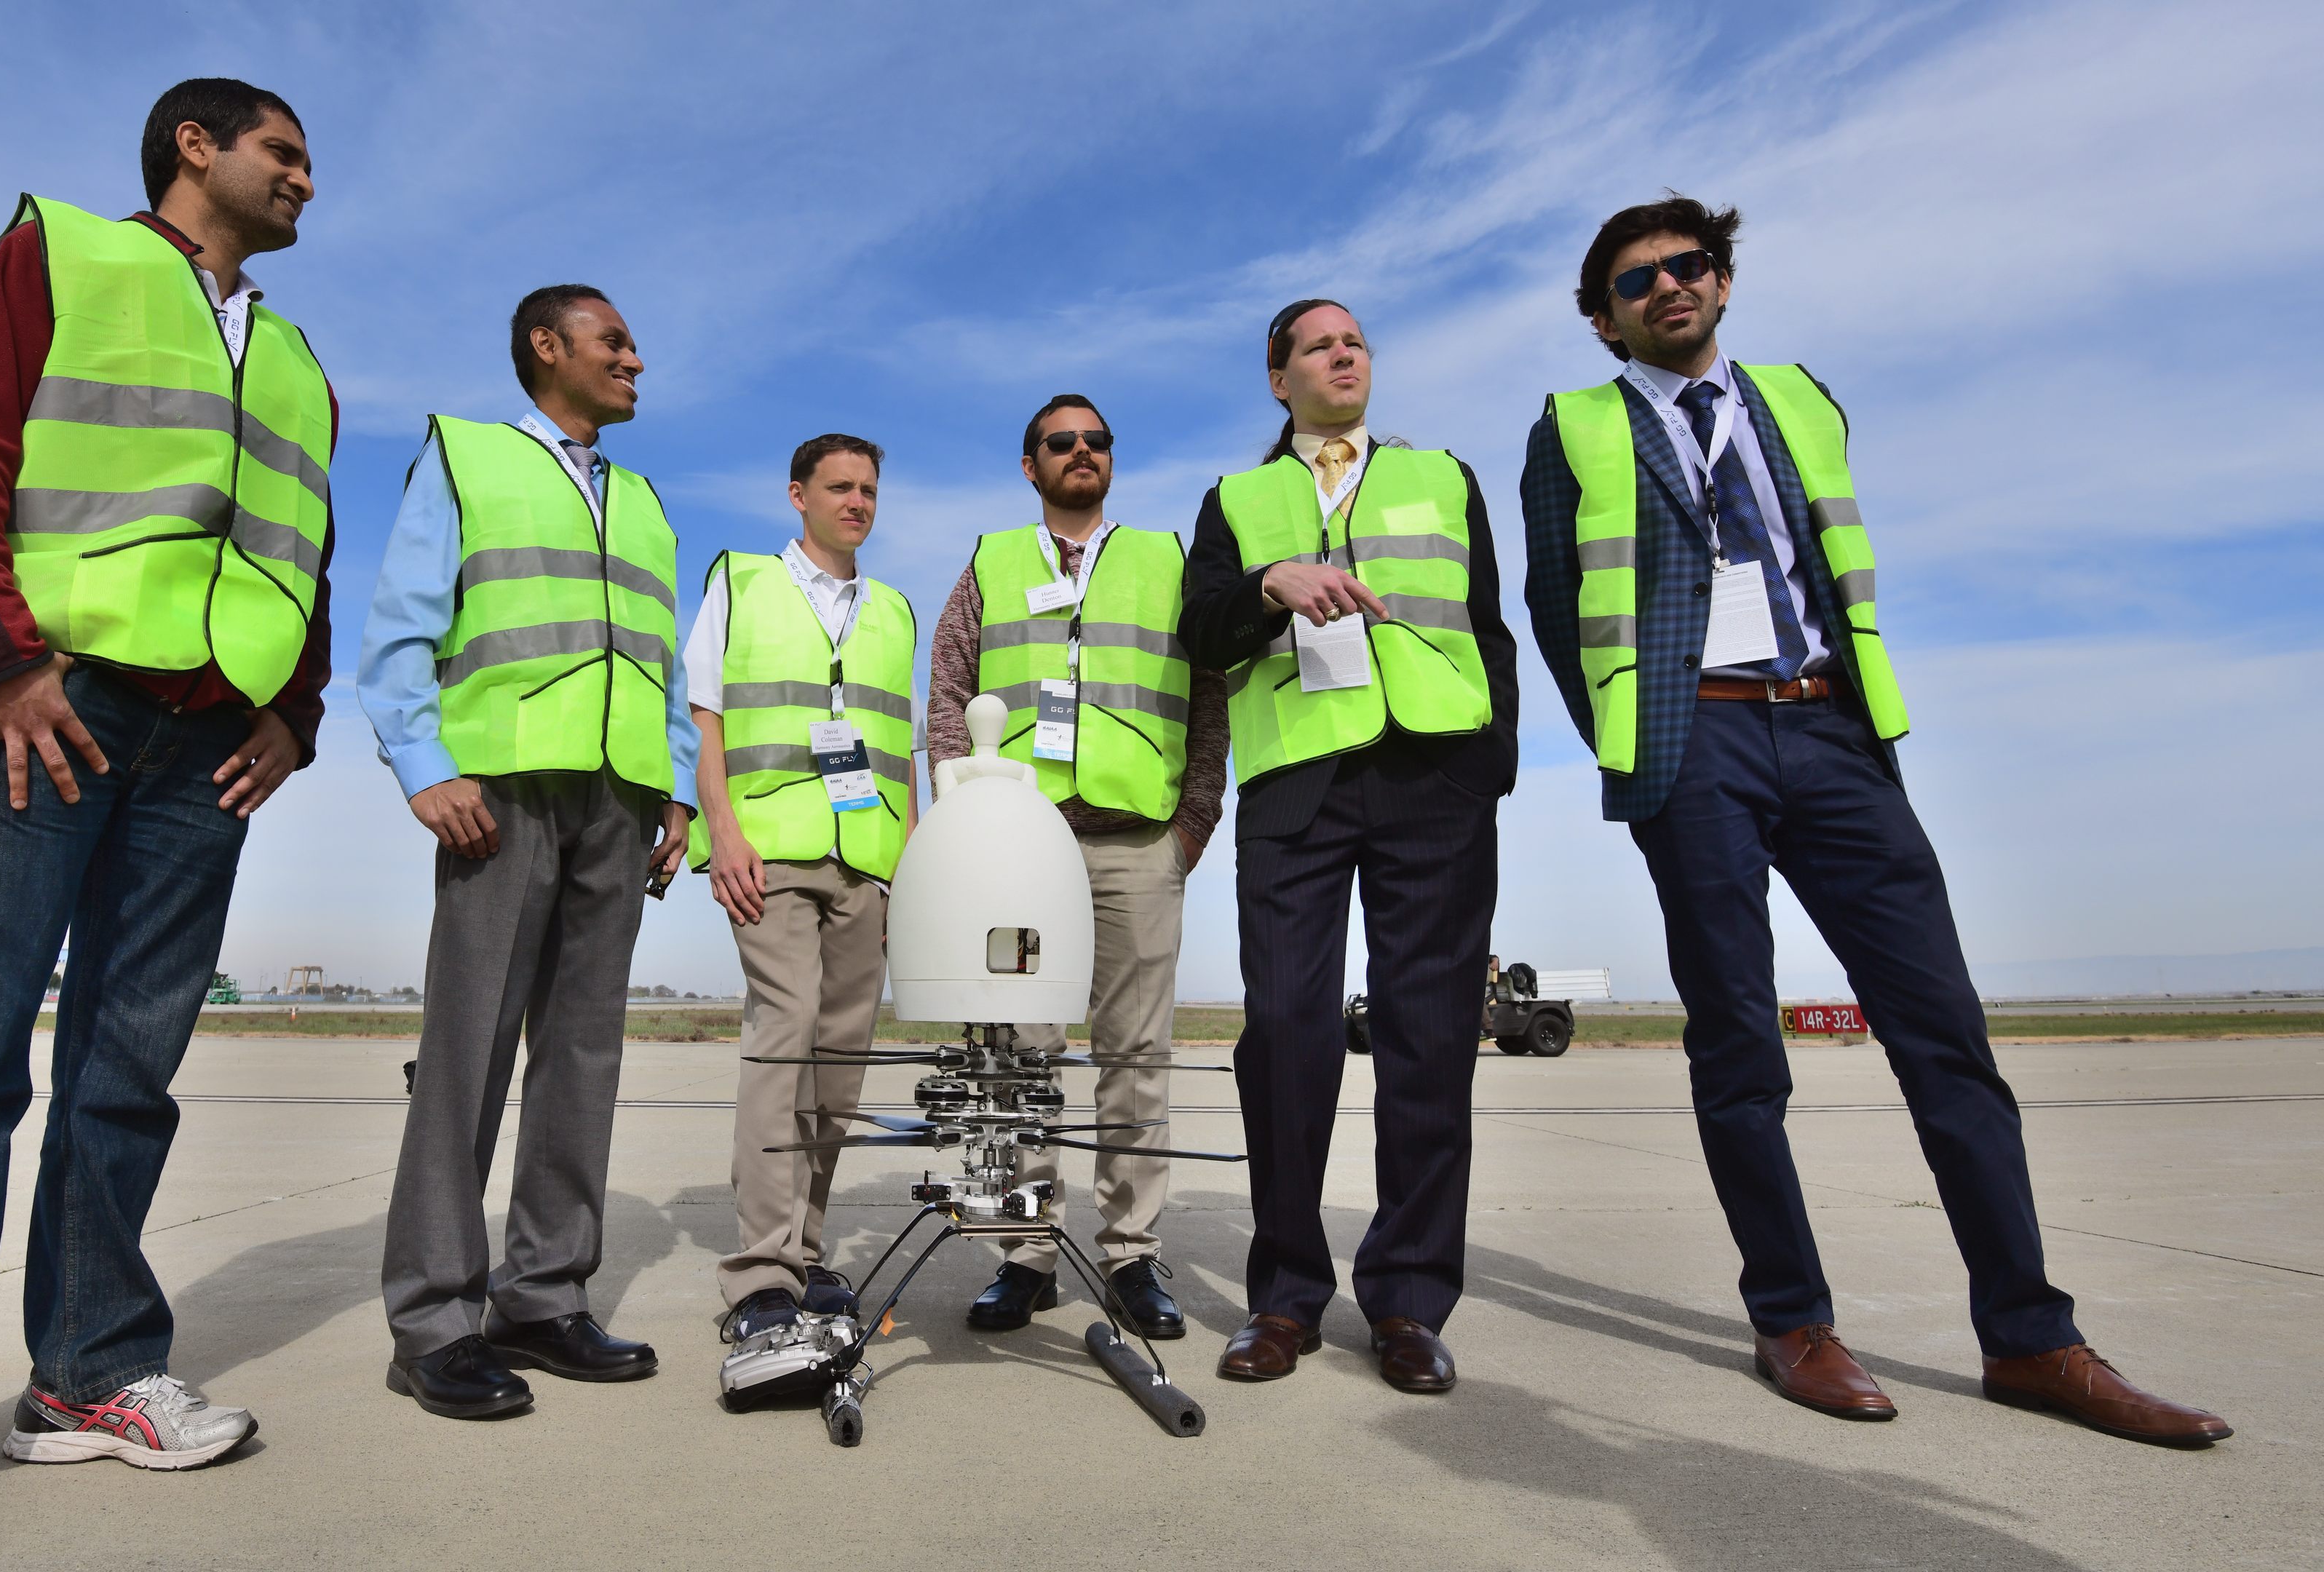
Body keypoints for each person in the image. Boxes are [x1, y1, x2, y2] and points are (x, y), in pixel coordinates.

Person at [1521, 195, 2229, 1445]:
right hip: (1697, 738)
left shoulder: (1799, 396)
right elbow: (1553, 606)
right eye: (1640, 282)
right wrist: (1642, 746)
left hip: (1835, 732)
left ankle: (2034, 1339)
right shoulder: (1573, 428)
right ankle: (1792, 1320)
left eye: (1690, 267)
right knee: (1741, 1044)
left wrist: (1835, 712)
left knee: (1946, 1035)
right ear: (1603, 319)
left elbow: (1824, 554)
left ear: (1724, 283)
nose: (1670, 289)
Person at [0, 77, 328, 1557]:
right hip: (47, 704)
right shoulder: (60, 255)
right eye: (283, 154)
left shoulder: (295, 356)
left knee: (129, 1070)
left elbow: (299, 543)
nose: (307, 181)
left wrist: (293, 714)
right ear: (197, 145)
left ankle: (88, 1374)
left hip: (206, 744)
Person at [358, 285, 695, 1421]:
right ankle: (435, 1321)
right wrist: (423, 764)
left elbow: (668, 664)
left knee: (583, 1058)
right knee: (469, 1057)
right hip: (499, 791)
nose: (635, 359)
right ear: (547, 347)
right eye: (616, 341)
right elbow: (401, 626)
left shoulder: (644, 499)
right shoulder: (466, 458)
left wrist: (679, 787)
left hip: (620, 796)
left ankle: (544, 1297)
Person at [1181, 301, 1519, 1390]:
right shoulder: (1237, 498)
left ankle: (1411, 1303)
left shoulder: (1443, 477)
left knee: (1427, 1041)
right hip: (1299, 786)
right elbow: (1200, 632)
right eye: (1320, 343)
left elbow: (1490, 625)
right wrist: (1267, 587)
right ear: (1278, 380)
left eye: (1357, 340)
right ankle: (1284, 1298)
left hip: (1436, 777)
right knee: (1285, 1034)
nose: (1345, 351)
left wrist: (1492, 761)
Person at [924, 394, 1228, 1338]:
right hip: (1018, 848)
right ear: (1031, 465)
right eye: (1063, 442)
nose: (1083, 452)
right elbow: (948, 693)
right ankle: (1025, 1255)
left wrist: (1194, 821)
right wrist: (967, 832)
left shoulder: (1165, 559)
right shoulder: (990, 563)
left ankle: (1133, 1257)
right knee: (1015, 1060)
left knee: (1137, 1059)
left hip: (1139, 841)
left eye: (1098, 441)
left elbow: (1209, 693)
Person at [688, 434, 916, 1343]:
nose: (857, 502)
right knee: (783, 1046)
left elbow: (905, 753)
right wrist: (723, 834)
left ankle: (806, 1253)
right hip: (772, 849)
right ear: (798, 496)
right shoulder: (742, 584)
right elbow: (704, 720)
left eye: (868, 489)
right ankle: (759, 1274)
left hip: (868, 859)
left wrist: (908, 868)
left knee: (838, 1065)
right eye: (839, 487)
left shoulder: (893, 608)